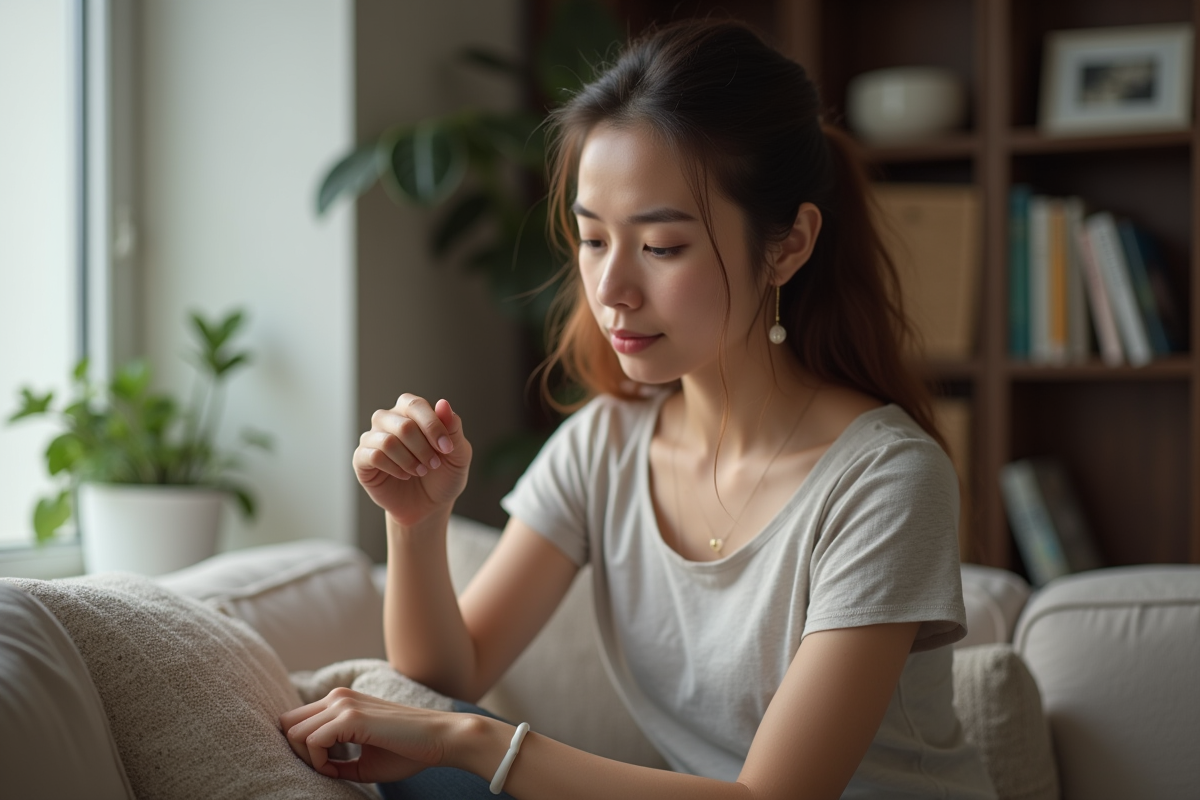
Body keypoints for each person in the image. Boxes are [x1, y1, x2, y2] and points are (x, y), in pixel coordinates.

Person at [281, 18, 997, 800]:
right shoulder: (606, 444)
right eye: (593, 240)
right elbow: (444, 672)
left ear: (788, 244)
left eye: (660, 247)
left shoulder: (886, 479)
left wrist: (474, 742)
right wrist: (416, 526)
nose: (612, 291)